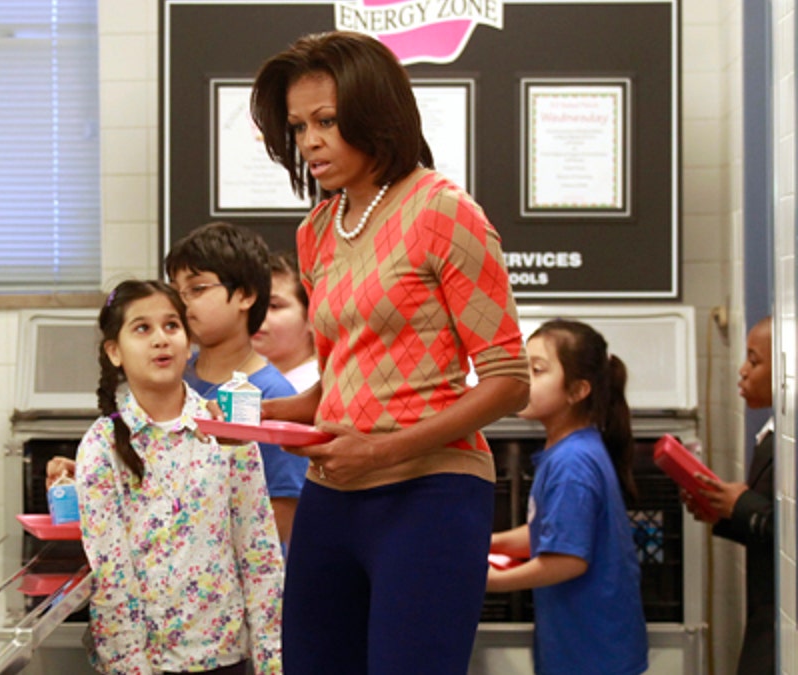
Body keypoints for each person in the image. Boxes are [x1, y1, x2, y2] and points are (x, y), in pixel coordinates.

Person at [250, 31, 530, 674]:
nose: (310, 141)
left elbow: (509, 380)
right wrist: (266, 418)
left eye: (326, 120)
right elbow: (340, 378)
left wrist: (379, 449)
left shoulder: (443, 211)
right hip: (331, 493)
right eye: (298, 127)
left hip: (427, 496)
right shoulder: (317, 231)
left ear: (376, 115)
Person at [74, 279, 284, 675]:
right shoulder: (102, 446)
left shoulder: (226, 433)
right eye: (142, 328)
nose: (160, 340)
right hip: (147, 665)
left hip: (227, 659)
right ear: (114, 351)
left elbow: (259, 555)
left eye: (172, 326)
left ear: (189, 345)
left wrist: (272, 662)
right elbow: (111, 578)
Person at [487, 319, 648, 675]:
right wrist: (488, 544)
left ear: (577, 391)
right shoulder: (571, 449)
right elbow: (549, 532)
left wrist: (492, 581)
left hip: (590, 655)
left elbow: (569, 559)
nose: (523, 378)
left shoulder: (572, 463)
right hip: (588, 647)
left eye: (537, 369)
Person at [164, 221, 308, 546]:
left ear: (245, 295)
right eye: (175, 291)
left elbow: (281, 519)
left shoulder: (273, 396)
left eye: (197, 289)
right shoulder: (170, 381)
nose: (181, 302)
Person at [683, 315, 774, 675]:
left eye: (754, 361)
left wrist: (744, 505)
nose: (742, 371)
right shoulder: (772, 435)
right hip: (764, 613)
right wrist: (725, 512)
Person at [252, 250, 319, 392]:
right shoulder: (246, 379)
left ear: (312, 316)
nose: (258, 314)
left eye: (274, 306)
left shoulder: (319, 387)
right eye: (255, 304)